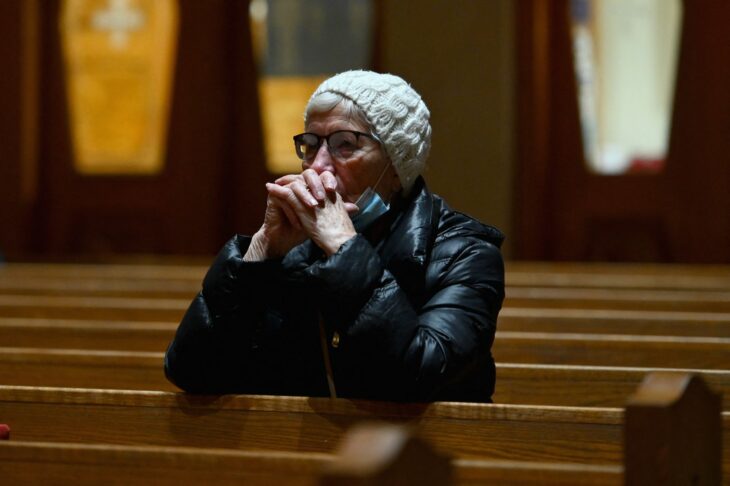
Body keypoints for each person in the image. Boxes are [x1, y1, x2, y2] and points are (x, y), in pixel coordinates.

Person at [164, 70, 505, 402]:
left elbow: (420, 377)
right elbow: (192, 372)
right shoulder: (295, 247)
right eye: (310, 146)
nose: (317, 166)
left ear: (397, 165)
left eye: (345, 145)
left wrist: (345, 248)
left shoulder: (466, 252)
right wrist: (259, 254)